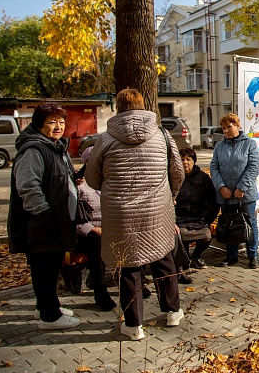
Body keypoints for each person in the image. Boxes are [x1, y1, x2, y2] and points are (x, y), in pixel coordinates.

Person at [85, 89, 185, 341]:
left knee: (128, 265)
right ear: (144, 105)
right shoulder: (162, 135)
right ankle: (173, 311)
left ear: (118, 107)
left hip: (120, 214)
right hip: (156, 209)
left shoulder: (105, 139)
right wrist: (169, 194)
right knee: (163, 257)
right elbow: (178, 172)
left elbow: (91, 178)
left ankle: (134, 325)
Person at [8, 103, 80, 330]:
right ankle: (50, 317)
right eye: (52, 122)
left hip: (54, 218)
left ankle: (49, 306)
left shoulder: (53, 146)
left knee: (50, 266)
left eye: (61, 122)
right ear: (39, 124)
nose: (58, 127)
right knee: (44, 268)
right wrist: (44, 214)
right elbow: (28, 186)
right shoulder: (34, 149)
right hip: (42, 220)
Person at [210, 113, 259, 268]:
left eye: (229, 127)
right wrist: (221, 187)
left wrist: (242, 187)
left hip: (245, 194)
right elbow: (214, 167)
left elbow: (254, 166)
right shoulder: (219, 146)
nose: (226, 131)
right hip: (226, 194)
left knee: (249, 223)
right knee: (229, 224)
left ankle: (253, 255)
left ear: (237, 126)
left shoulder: (249, 144)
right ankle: (232, 256)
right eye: (224, 128)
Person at [75, 147, 116, 311]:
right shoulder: (78, 184)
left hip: (111, 228)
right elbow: (74, 218)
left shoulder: (110, 180)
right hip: (86, 232)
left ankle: (135, 282)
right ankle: (101, 292)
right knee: (97, 242)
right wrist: (93, 229)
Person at [175, 148, 219, 283]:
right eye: (182, 159)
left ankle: (196, 256)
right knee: (180, 236)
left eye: (188, 159)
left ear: (194, 161)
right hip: (179, 218)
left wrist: (206, 218)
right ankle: (184, 259)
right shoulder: (174, 177)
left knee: (206, 237)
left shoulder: (203, 178)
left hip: (198, 217)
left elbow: (212, 201)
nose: (185, 163)